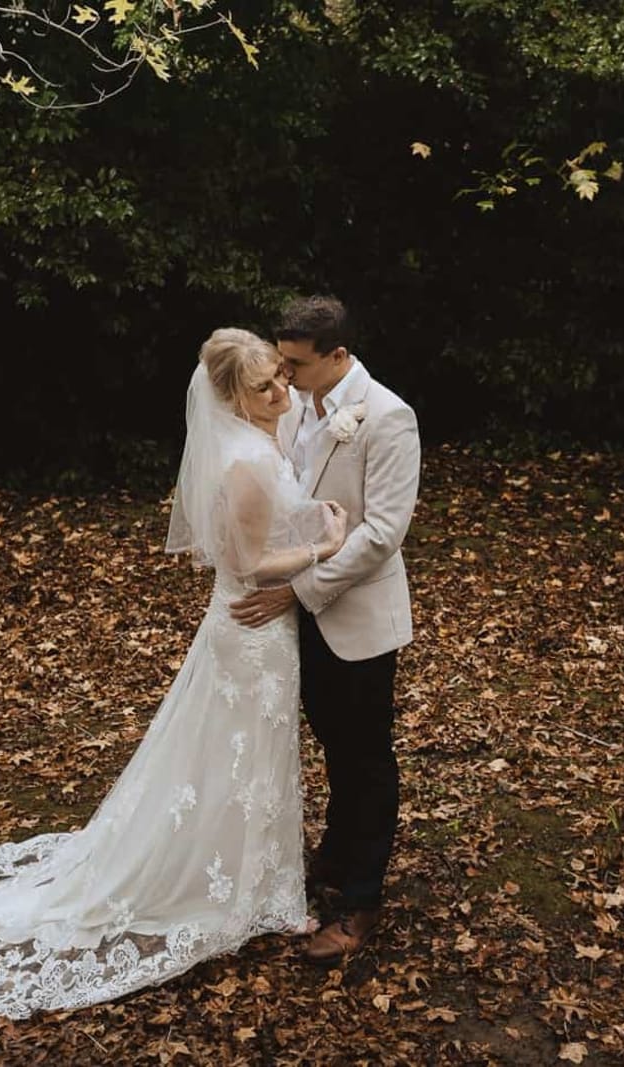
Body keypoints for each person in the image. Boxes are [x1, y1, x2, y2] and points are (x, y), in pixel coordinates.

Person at [0, 328, 347, 1017]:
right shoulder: (246, 463)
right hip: (249, 631)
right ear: (231, 398)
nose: (282, 391)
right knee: (235, 752)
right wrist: (325, 546)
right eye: (265, 386)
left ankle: (263, 886)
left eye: (282, 375)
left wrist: (308, 516)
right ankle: (228, 888)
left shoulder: (263, 438)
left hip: (261, 630)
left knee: (258, 752)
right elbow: (249, 564)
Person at [230, 296, 420, 962]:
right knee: (334, 743)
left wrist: (298, 588)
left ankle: (362, 904)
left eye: (295, 363)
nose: (282, 374)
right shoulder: (296, 406)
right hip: (304, 616)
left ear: (338, 356)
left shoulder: (388, 417)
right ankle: (336, 859)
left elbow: (382, 533)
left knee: (366, 758)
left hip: (356, 616)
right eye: (280, 361)